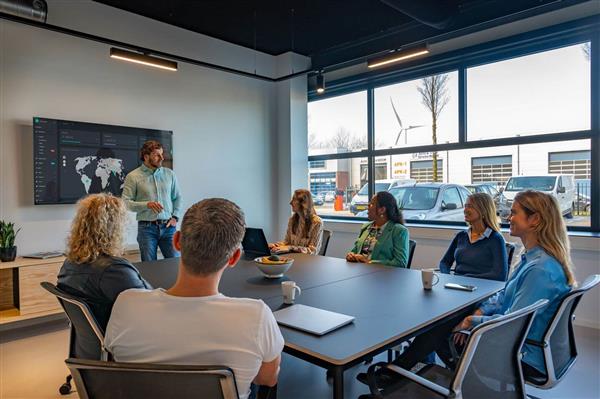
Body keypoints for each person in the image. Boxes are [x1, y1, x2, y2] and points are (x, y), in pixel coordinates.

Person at [360, 190, 575, 388]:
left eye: (515, 212)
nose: (509, 217)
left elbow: (512, 324)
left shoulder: (539, 270)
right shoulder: (536, 261)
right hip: (523, 346)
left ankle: (407, 374)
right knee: (443, 325)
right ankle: (402, 372)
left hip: (521, 354)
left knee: (440, 329)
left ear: (535, 219)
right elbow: (505, 297)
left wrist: (472, 322)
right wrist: (480, 312)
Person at [105, 198, 284, 399]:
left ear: (177, 241)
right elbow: (268, 379)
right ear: (234, 257)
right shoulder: (256, 316)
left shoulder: (126, 304)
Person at [57, 194, 150, 355]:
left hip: (89, 350)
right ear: (114, 228)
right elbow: (149, 307)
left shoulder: (70, 263)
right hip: (124, 347)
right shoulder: (113, 270)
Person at [122, 140, 182, 261]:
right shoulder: (133, 177)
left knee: (176, 263)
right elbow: (125, 203)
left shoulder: (170, 174)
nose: (162, 158)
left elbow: (177, 197)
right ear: (146, 156)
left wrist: (175, 217)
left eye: (162, 154)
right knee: (149, 267)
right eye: (157, 155)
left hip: (169, 228)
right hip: (147, 229)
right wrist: (147, 205)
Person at [439, 192, 508, 281]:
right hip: (457, 285)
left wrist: (467, 279)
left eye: (470, 206)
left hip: (482, 289)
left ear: (483, 210)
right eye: (465, 206)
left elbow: (500, 275)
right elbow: (444, 263)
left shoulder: (495, 239)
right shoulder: (461, 236)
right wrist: (447, 276)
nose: (465, 210)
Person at [346, 191, 409, 268]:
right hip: (360, 272)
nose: (368, 206)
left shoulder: (399, 231)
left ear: (382, 210)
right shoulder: (366, 227)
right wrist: (351, 255)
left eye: (372, 204)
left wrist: (369, 262)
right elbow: (355, 250)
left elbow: (400, 263)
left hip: (383, 276)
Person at [269, 189, 323, 255]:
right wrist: (275, 245)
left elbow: (313, 251)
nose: (290, 203)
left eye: (294, 199)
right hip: (292, 258)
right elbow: (287, 242)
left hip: (306, 261)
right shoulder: (292, 220)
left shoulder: (317, 222)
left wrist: (290, 248)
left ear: (303, 203)